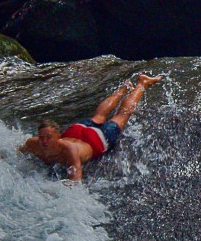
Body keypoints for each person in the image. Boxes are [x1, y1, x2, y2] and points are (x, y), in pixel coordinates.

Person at [20, 73, 163, 182]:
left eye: (48, 138)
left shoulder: (69, 150)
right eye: (42, 137)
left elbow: (75, 180)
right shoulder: (33, 143)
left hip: (96, 140)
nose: (44, 141)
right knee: (99, 116)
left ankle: (142, 83)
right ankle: (122, 90)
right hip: (76, 131)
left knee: (121, 116)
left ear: (58, 137)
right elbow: (14, 154)